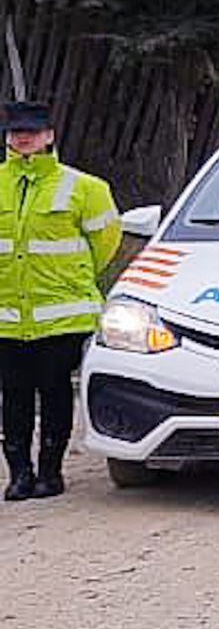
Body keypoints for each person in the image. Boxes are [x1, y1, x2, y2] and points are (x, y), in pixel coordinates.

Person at [0, 101, 121, 500]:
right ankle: (19, 474)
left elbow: (105, 245)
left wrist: (70, 280)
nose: (23, 137)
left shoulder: (85, 188)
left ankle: (50, 472)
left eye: (32, 131)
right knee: (14, 397)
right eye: (17, 131)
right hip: (7, 317)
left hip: (62, 315)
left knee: (54, 393)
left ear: (49, 136)